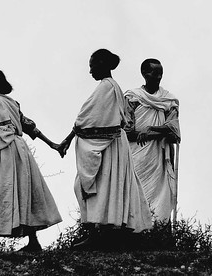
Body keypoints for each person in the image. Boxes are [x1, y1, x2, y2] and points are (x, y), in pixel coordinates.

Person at [60, 49, 152, 250]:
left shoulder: (106, 88)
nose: (90, 70)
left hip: (109, 146)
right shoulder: (113, 87)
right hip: (115, 145)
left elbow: (86, 119)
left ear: (102, 64)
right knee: (106, 189)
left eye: (92, 65)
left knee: (96, 188)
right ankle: (105, 236)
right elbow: (88, 119)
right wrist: (67, 140)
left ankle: (99, 237)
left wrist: (67, 140)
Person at [0, 68, 62, 252]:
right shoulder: (12, 102)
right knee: (22, 193)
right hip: (20, 151)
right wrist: (52, 144)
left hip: (2, 151)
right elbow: (29, 126)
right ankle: (33, 242)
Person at [124, 58, 180, 222]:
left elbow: (173, 130)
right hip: (137, 157)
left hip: (159, 158)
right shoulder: (132, 97)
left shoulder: (168, 100)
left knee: (160, 198)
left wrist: (150, 131)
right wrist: (152, 132)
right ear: (144, 73)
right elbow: (127, 131)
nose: (158, 76)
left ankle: (158, 234)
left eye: (161, 73)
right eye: (154, 73)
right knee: (135, 193)